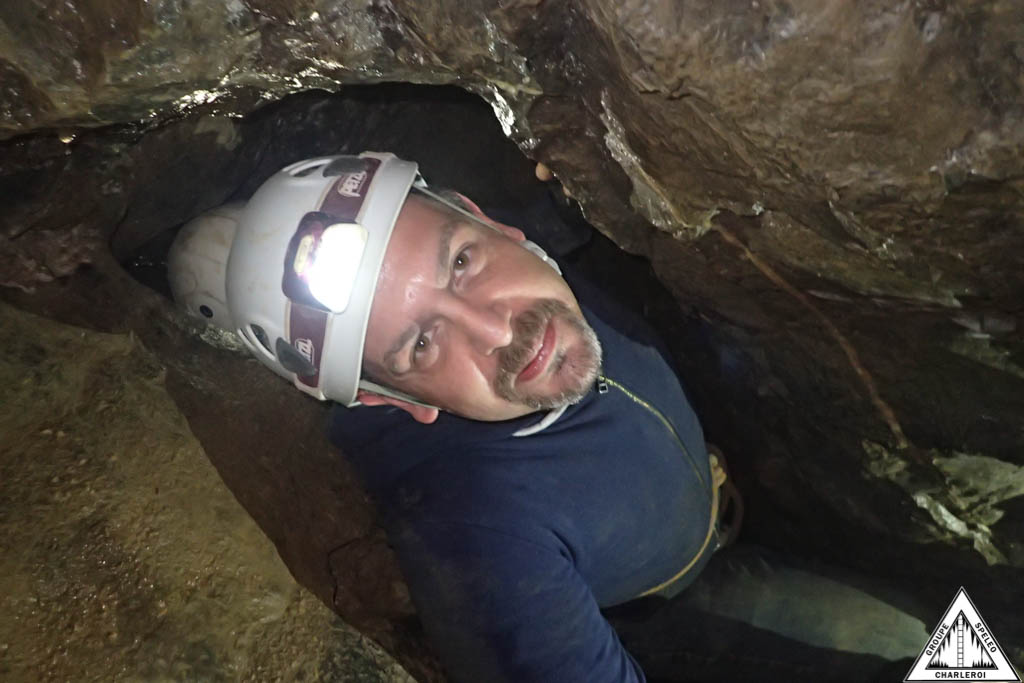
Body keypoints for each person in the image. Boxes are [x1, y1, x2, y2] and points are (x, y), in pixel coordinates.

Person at [167, 152, 925, 682]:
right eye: (422, 343)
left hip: (721, 508)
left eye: (460, 262)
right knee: (938, 652)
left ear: (484, 217)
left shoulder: (545, 240)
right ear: (388, 399)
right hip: (690, 608)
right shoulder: (479, 540)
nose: (501, 331)